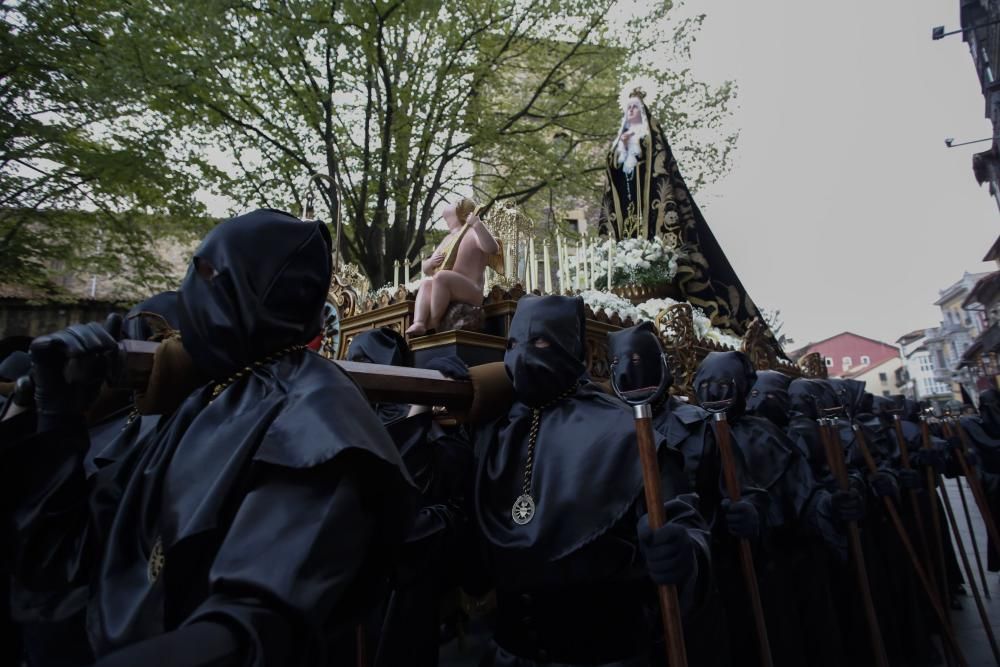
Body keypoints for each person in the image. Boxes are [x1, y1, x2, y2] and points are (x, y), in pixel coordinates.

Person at [8, 209, 414, 666]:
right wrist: (57, 418)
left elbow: (252, 631)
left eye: (205, 272)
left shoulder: (319, 419)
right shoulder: (208, 399)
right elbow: (69, 565)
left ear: (251, 290)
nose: (189, 290)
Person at [467, 295, 712, 666]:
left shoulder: (627, 432)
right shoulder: (496, 429)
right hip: (509, 654)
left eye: (541, 342)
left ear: (573, 350)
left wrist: (686, 554)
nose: (522, 356)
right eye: (513, 344)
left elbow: (683, 521)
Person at [406, 198, 501, 336]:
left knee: (441, 277)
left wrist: (477, 225)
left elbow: (493, 248)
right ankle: (419, 323)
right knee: (426, 284)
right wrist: (431, 262)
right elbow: (426, 270)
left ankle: (434, 322)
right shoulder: (447, 239)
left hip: (471, 289)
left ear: (461, 211)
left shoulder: (472, 232)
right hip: (447, 286)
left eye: (452, 203)